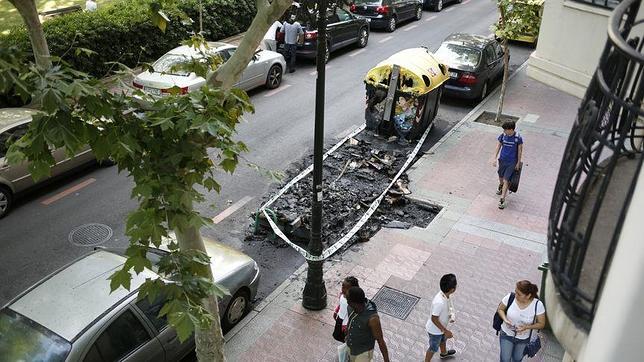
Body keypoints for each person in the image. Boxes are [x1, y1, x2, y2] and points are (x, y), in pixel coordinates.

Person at [497, 280, 546, 362]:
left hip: (523, 338)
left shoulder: (538, 305)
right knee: (505, 359)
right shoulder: (510, 297)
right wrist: (505, 319)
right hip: (506, 334)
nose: (516, 295)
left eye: (519, 294)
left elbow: (541, 324)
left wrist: (527, 327)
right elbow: (500, 309)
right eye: (515, 292)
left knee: (517, 359)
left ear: (528, 295)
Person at [345, 287, 390, 362]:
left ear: (354, 303)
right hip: (351, 347)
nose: (346, 301)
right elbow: (350, 321)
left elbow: (380, 341)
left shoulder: (373, 319)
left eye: (347, 299)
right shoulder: (350, 308)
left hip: (363, 354)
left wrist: (386, 360)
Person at [425, 273, 458, 361]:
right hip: (435, 331)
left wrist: (451, 315)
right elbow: (434, 318)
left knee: (443, 340)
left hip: (441, 329)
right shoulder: (439, 302)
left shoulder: (446, 295)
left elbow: (449, 305)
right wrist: (445, 331)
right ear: (452, 289)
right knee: (433, 348)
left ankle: (444, 353)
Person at [491, 121, 523, 209]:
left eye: (505, 129)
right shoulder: (503, 136)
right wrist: (494, 157)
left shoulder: (518, 138)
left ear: (511, 129)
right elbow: (498, 146)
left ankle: (502, 200)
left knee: (506, 180)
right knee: (500, 176)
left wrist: (518, 162)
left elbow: (520, 151)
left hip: (512, 162)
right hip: (502, 160)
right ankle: (500, 185)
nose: (504, 131)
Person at [334, 277, 360, 362]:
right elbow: (341, 304)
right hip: (340, 319)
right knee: (341, 337)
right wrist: (336, 311)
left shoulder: (353, 302)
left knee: (348, 339)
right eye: (342, 286)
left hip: (347, 325)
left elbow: (353, 316)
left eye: (346, 288)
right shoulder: (342, 295)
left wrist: (347, 326)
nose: (343, 289)